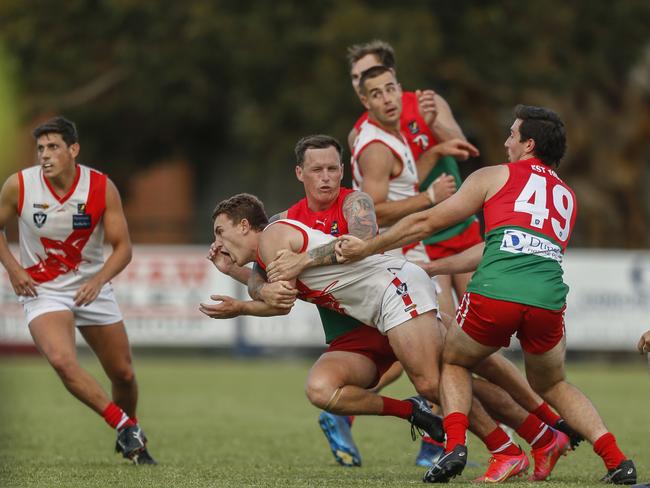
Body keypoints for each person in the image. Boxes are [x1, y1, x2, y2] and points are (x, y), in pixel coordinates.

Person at [337, 105, 636, 484]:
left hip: (496, 292)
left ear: (528, 144)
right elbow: (504, 245)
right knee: (553, 384)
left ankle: (457, 447)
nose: (506, 141)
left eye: (512, 135)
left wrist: (368, 247)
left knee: (454, 361)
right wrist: (435, 268)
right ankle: (617, 460)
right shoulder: (567, 196)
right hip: (548, 299)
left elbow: (428, 220)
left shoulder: (494, 176)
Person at [205, 191, 577, 483]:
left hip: (395, 290)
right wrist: (233, 279)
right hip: (384, 305)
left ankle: (508, 449)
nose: (218, 241)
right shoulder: (269, 251)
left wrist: (242, 301)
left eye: (220, 231)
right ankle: (542, 435)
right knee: (453, 374)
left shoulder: (272, 238)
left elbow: (278, 299)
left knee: (435, 383)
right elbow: (276, 296)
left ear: (243, 225)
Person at [0, 116, 155, 465]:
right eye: (40, 148)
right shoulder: (19, 185)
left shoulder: (100, 187)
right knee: (62, 361)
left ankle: (133, 437)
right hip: (43, 290)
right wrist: (13, 270)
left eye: (53, 147)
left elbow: (123, 248)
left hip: (91, 288)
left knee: (124, 374)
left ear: (74, 149)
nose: (45, 155)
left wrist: (98, 280)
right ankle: (123, 426)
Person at [346, 39, 484, 332]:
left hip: (458, 223)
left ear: (392, 74)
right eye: (357, 78)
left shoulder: (424, 102)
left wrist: (432, 124)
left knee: (479, 329)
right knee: (442, 329)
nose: (362, 81)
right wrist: (428, 196)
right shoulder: (363, 133)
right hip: (419, 233)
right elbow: (374, 202)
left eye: (370, 72)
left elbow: (463, 146)